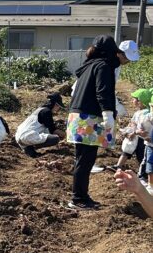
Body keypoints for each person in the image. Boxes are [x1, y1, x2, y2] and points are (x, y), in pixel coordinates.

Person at [67, 35, 121, 209]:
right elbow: (102, 91)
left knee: (83, 159)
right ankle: (78, 199)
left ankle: (81, 196)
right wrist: (108, 115)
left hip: (78, 116)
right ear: (110, 52)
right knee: (85, 160)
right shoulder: (103, 66)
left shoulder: (88, 66)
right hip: (88, 117)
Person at [15, 93, 66, 158]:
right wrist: (66, 135)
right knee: (55, 138)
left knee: (33, 154)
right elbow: (53, 130)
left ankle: (29, 149)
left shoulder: (40, 109)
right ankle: (32, 146)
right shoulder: (47, 112)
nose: (58, 110)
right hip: (27, 136)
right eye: (59, 107)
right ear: (56, 104)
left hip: (19, 136)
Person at [113, 89, 151, 172]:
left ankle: (144, 174)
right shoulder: (139, 112)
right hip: (137, 138)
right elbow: (133, 123)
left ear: (140, 101)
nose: (132, 100)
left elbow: (142, 128)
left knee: (141, 156)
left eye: (134, 99)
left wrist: (133, 132)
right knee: (128, 151)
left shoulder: (146, 114)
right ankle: (119, 166)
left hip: (142, 140)